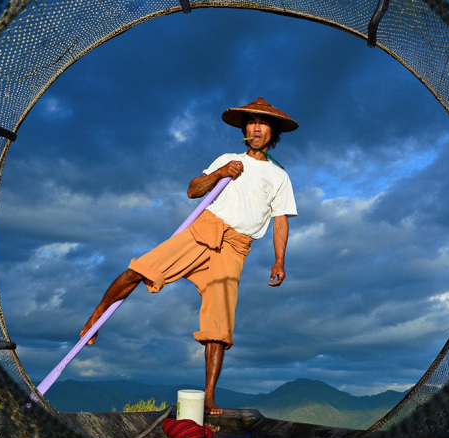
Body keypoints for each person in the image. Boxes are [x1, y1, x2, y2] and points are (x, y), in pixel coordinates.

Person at [80, 97, 298, 415]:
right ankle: (97, 315)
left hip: (236, 247)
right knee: (141, 268)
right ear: (244, 129)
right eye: (250, 122)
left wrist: (279, 260)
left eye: (262, 123)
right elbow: (193, 190)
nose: (256, 128)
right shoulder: (228, 158)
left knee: (219, 325)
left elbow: (280, 221)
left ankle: (209, 398)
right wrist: (221, 172)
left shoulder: (279, 177)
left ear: (272, 132)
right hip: (204, 230)